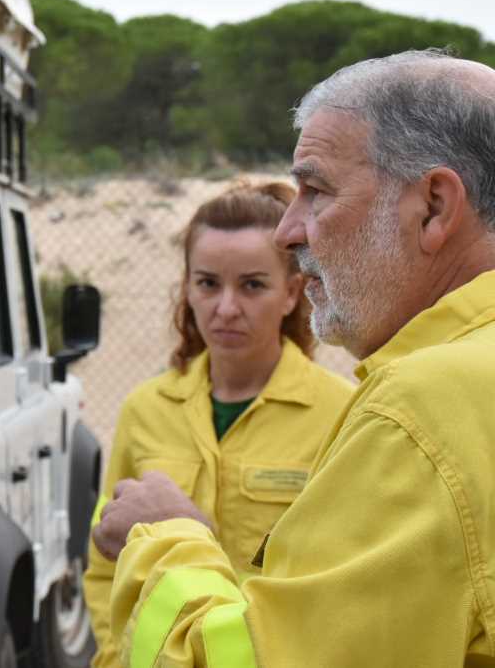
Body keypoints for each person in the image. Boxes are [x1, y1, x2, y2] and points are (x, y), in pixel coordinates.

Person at [92, 49, 495, 665]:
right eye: (206, 283)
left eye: (317, 190)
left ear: (435, 206)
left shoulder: (419, 412)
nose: (290, 229)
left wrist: (166, 538)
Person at [81, 182, 353, 667]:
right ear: (187, 287)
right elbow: (106, 565)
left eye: (252, 285)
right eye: (208, 283)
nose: (226, 308)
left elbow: (341, 590)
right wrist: (112, 655)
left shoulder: (342, 414)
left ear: (291, 293)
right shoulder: (144, 410)